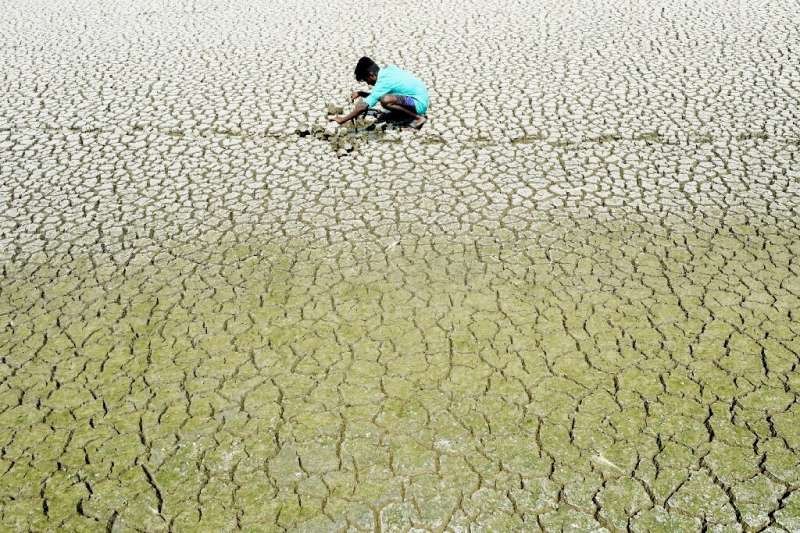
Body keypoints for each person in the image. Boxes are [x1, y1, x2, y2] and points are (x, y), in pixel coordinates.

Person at [329, 56, 429, 129]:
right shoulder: (389, 70)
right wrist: (362, 93)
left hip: (418, 103)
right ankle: (404, 114)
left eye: (366, 80)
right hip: (420, 96)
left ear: (371, 75)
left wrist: (343, 119)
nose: (368, 83)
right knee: (385, 98)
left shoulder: (382, 83)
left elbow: (363, 107)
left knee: (385, 100)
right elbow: (377, 95)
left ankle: (418, 118)